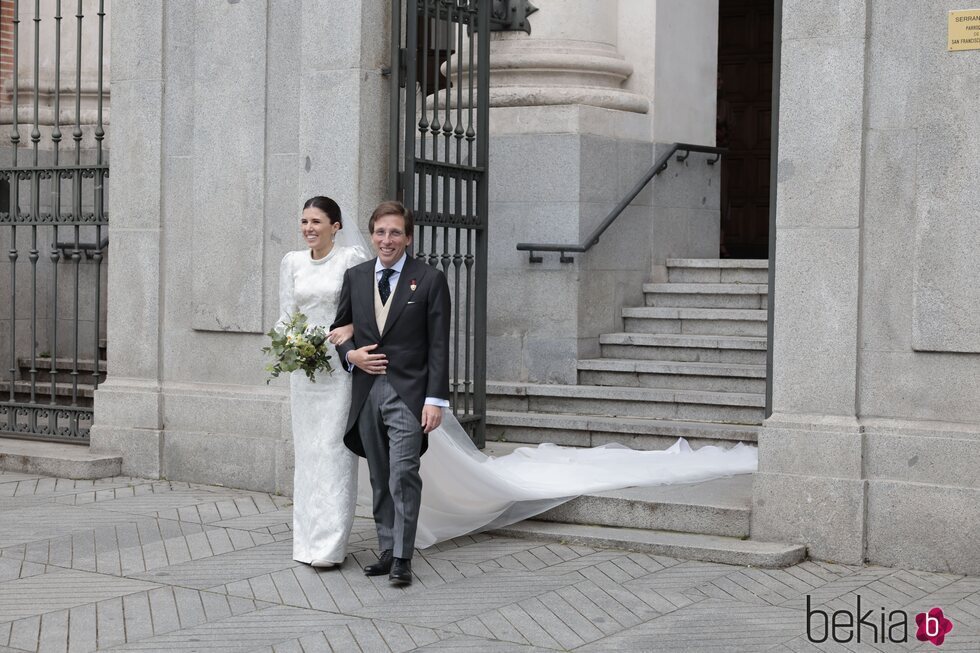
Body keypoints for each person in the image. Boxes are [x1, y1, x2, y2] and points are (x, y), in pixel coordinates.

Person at [332, 200, 450, 586]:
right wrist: (351, 355)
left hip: (409, 392)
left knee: (404, 473)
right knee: (380, 476)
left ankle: (402, 557)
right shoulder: (356, 276)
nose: (387, 239)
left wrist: (435, 399)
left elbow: (438, 345)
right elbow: (339, 329)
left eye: (395, 232)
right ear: (372, 235)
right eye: (381, 232)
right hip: (366, 392)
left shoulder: (429, 279)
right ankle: (386, 548)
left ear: (408, 237)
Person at [277, 196, 366, 567]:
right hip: (305, 372)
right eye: (304, 222)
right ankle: (305, 542)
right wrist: (289, 344)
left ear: (336, 226)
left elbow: (370, 312)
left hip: (339, 369)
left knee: (333, 452)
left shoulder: (351, 259)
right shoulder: (292, 263)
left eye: (316, 221)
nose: (309, 228)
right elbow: (285, 316)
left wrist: (348, 330)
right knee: (309, 454)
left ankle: (330, 546)